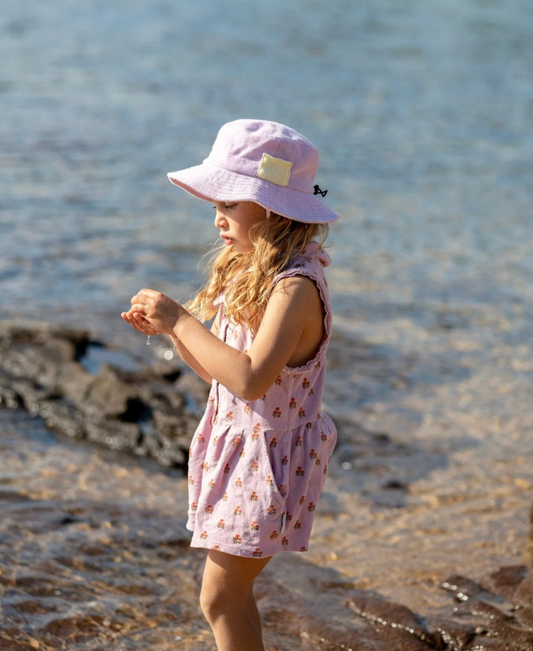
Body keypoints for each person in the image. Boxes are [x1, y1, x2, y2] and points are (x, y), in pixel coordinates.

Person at [121, 119, 339, 651]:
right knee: (231, 598)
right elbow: (221, 372)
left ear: (271, 208)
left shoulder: (295, 288)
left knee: (219, 598)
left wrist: (180, 319)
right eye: (215, 206)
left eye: (229, 205)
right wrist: (176, 338)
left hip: (269, 462)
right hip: (240, 450)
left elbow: (250, 379)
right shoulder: (253, 271)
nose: (217, 218)